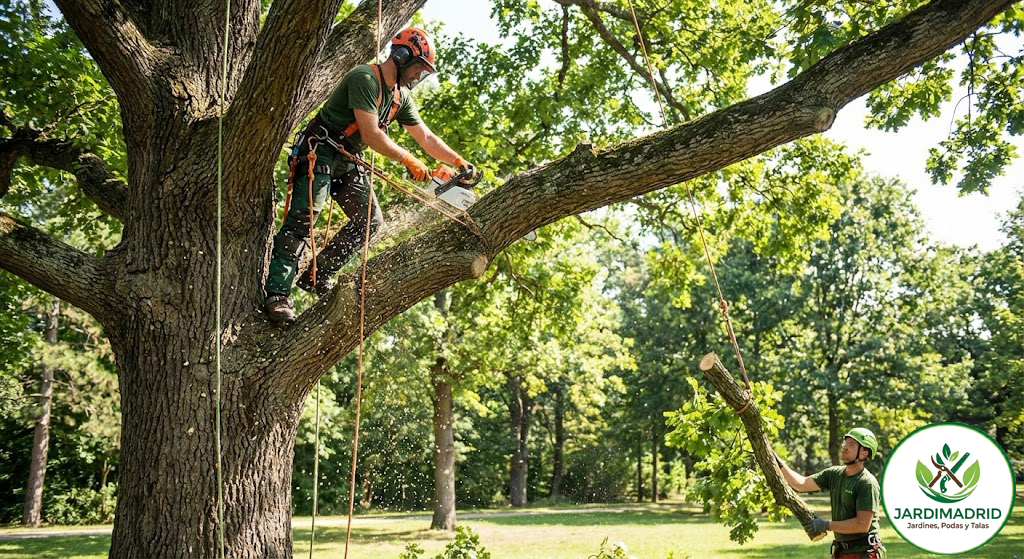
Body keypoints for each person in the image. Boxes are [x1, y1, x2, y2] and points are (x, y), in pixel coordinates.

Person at [264, 28, 476, 323]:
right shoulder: (365, 78)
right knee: (304, 219)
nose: (418, 76)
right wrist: (408, 160)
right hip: (320, 150)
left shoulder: (400, 98)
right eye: (418, 68)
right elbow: (371, 133)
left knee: (370, 222)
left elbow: (425, 137)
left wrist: (457, 160)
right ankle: (276, 295)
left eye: (423, 72)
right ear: (401, 57)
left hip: (349, 159)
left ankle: (317, 273)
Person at [777, 427, 886, 559]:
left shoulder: (866, 483)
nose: (845, 447)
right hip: (841, 551)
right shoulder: (834, 474)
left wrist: (825, 525)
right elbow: (801, 484)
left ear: (863, 454)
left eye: (851, 445)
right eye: (845, 443)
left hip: (864, 553)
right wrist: (776, 462)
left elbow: (862, 525)